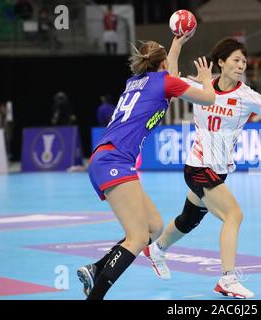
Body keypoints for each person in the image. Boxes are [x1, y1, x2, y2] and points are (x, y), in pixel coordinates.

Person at [143, 38, 261, 299]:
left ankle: (157, 249)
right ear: (221, 62)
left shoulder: (248, 97)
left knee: (188, 220)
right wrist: (177, 43)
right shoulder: (200, 87)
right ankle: (227, 279)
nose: (241, 65)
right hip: (198, 166)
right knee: (234, 215)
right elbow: (170, 76)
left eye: (244, 61)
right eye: (236, 60)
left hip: (219, 170)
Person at [76, 33, 215, 300]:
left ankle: (96, 269)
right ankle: (96, 296)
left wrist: (177, 43)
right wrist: (206, 80)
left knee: (154, 227)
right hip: (114, 160)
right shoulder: (165, 82)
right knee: (138, 238)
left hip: (109, 158)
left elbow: (169, 75)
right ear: (163, 65)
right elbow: (208, 98)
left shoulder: (136, 82)